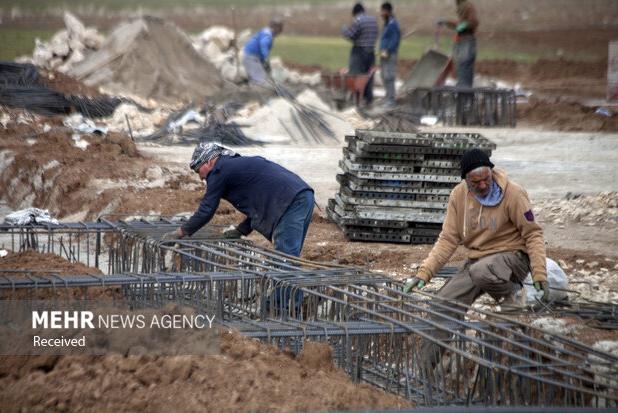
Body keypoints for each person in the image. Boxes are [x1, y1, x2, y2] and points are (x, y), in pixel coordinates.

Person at [404, 149, 549, 364]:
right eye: (475, 182)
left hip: (513, 257)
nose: (482, 185)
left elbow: (533, 233)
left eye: (486, 179)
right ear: (466, 181)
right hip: (478, 262)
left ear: (491, 172)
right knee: (441, 304)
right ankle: (425, 375)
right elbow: (448, 239)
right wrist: (424, 273)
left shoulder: (513, 194)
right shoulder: (458, 196)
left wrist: (539, 273)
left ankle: (513, 297)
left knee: (481, 271)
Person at [162, 143, 314, 258]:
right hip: (301, 197)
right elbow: (258, 207)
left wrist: (180, 232)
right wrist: (241, 231)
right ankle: (285, 299)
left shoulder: (219, 170)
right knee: (289, 258)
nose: (200, 177)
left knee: (285, 260)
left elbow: (207, 210)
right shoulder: (232, 166)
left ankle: (281, 300)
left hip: (290, 201)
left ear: (208, 161)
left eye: (198, 170)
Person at [342, 3, 378, 105]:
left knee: (357, 75)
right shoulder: (373, 20)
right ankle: (369, 99)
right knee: (368, 76)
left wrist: (344, 29)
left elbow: (350, 34)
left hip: (359, 51)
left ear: (355, 12)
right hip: (371, 52)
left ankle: (357, 99)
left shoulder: (358, 20)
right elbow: (375, 34)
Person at [437, 0, 479, 87]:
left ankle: (464, 96)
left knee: (464, 70)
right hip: (462, 41)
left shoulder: (467, 5)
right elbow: (460, 24)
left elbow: (474, 22)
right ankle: (463, 95)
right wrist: (446, 22)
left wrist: (461, 26)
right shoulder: (461, 5)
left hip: (466, 42)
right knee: (460, 71)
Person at [242, 18, 284, 85]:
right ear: (276, 28)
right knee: (260, 80)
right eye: (280, 29)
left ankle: (252, 90)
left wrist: (263, 62)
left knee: (259, 77)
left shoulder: (266, 32)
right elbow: (263, 44)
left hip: (252, 57)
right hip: (251, 57)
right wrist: (266, 58)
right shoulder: (267, 34)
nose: (280, 31)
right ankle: (254, 93)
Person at [379, 2, 400, 107]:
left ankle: (391, 100)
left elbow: (395, 40)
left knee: (389, 76)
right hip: (383, 54)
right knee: (383, 76)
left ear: (388, 11)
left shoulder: (393, 24)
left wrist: (387, 50)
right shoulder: (387, 23)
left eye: (383, 11)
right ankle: (387, 97)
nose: (381, 13)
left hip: (390, 54)